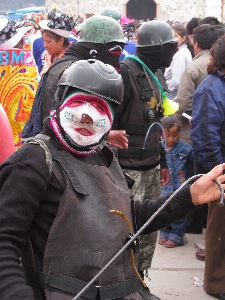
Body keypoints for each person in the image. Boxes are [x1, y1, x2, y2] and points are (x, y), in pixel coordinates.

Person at [0, 58, 225, 300]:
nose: (87, 115)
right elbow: (4, 242)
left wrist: (188, 196)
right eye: (79, 102)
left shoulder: (102, 154)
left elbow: (125, 218)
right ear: (60, 103)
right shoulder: (32, 161)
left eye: (100, 107)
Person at [112, 20, 177, 281]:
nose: (173, 52)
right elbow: (112, 124)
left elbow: (155, 123)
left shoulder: (155, 75)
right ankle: (123, 282)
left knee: (149, 231)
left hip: (151, 166)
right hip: (129, 170)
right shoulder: (125, 72)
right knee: (129, 231)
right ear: (155, 48)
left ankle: (139, 279)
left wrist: (162, 161)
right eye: (169, 47)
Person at [22, 15, 128, 149]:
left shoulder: (64, 65)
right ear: (95, 50)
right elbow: (67, 125)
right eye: (114, 53)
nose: (115, 64)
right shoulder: (76, 72)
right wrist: (104, 135)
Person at [190, 36, 225, 300]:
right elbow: (204, 135)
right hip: (221, 171)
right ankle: (216, 285)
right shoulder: (211, 87)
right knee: (220, 231)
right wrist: (218, 172)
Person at [158, 115, 193, 247]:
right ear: (161, 134)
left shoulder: (186, 149)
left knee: (179, 209)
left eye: (175, 135)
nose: (171, 139)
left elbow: (194, 162)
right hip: (163, 186)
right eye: (167, 135)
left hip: (180, 185)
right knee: (163, 209)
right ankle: (164, 231)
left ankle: (177, 235)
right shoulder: (158, 148)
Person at [164, 25, 193, 99]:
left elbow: (176, 81)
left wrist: (163, 83)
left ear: (183, 38)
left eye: (175, 36)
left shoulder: (181, 55)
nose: (172, 39)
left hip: (173, 94)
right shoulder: (181, 52)